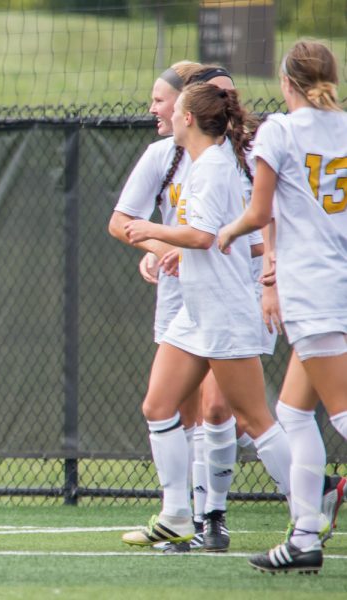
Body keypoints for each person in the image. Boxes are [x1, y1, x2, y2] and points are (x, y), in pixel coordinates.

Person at [119, 81, 294, 548]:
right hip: (194, 312)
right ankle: (177, 514)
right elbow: (207, 237)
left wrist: (150, 231)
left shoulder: (215, 166)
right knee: (158, 406)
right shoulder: (202, 163)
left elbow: (200, 236)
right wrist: (162, 242)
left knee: (256, 420)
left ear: (189, 119)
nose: (168, 117)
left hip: (223, 311)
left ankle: (311, 507)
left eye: (173, 110)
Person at [217, 40, 347, 574]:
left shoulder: (280, 129)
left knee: (341, 412)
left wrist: (224, 232)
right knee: (293, 413)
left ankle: (304, 536)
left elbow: (258, 210)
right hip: (333, 281)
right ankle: (303, 537)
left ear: (285, 81)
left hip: (315, 288)